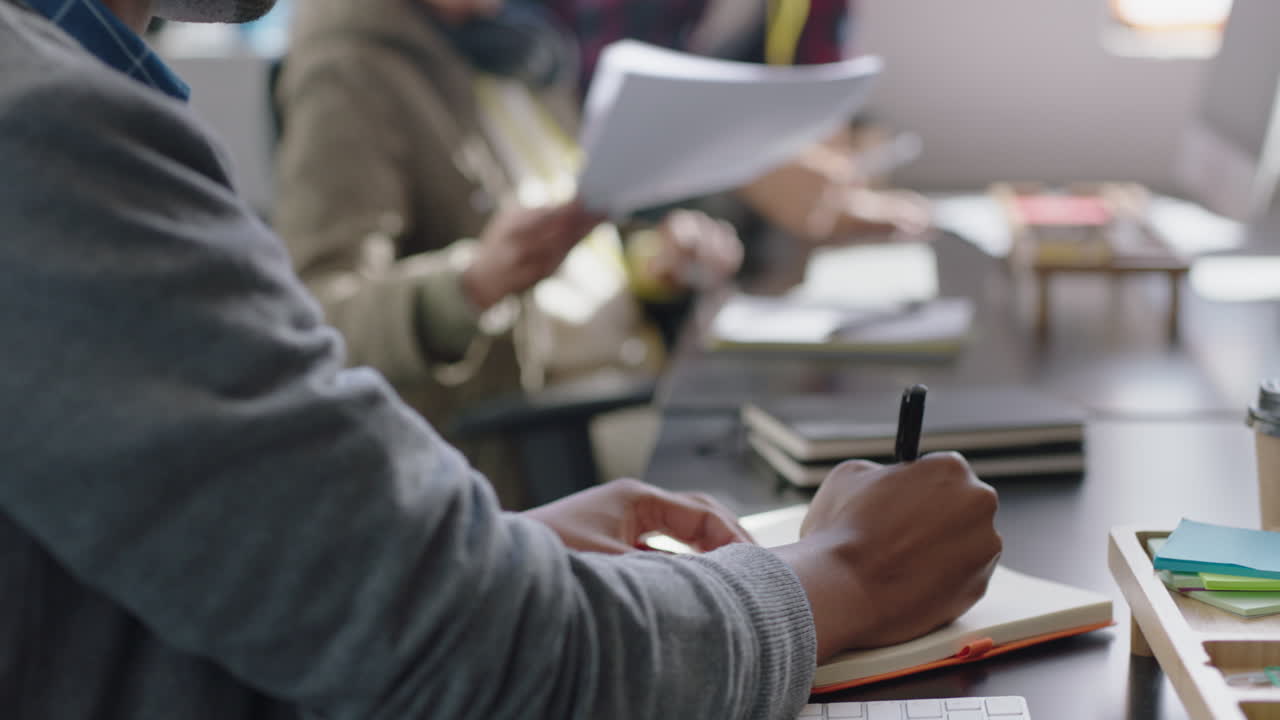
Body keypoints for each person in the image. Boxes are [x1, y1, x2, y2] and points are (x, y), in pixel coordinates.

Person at [0, 0, 1002, 718]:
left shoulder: (516, 51)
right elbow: (470, 653)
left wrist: (648, 270)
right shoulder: (54, 125)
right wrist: (845, 573)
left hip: (554, 451)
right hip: (522, 424)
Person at [272, 0, 743, 506]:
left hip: (638, 386)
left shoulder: (517, 49)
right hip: (548, 437)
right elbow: (317, 315)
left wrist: (657, 263)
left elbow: (583, 252)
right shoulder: (348, 71)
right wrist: (472, 285)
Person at [544, 0, 933, 245]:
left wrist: (840, 186)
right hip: (631, 198)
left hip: (745, 178)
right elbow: (602, 96)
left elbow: (827, 74)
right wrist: (751, 164)